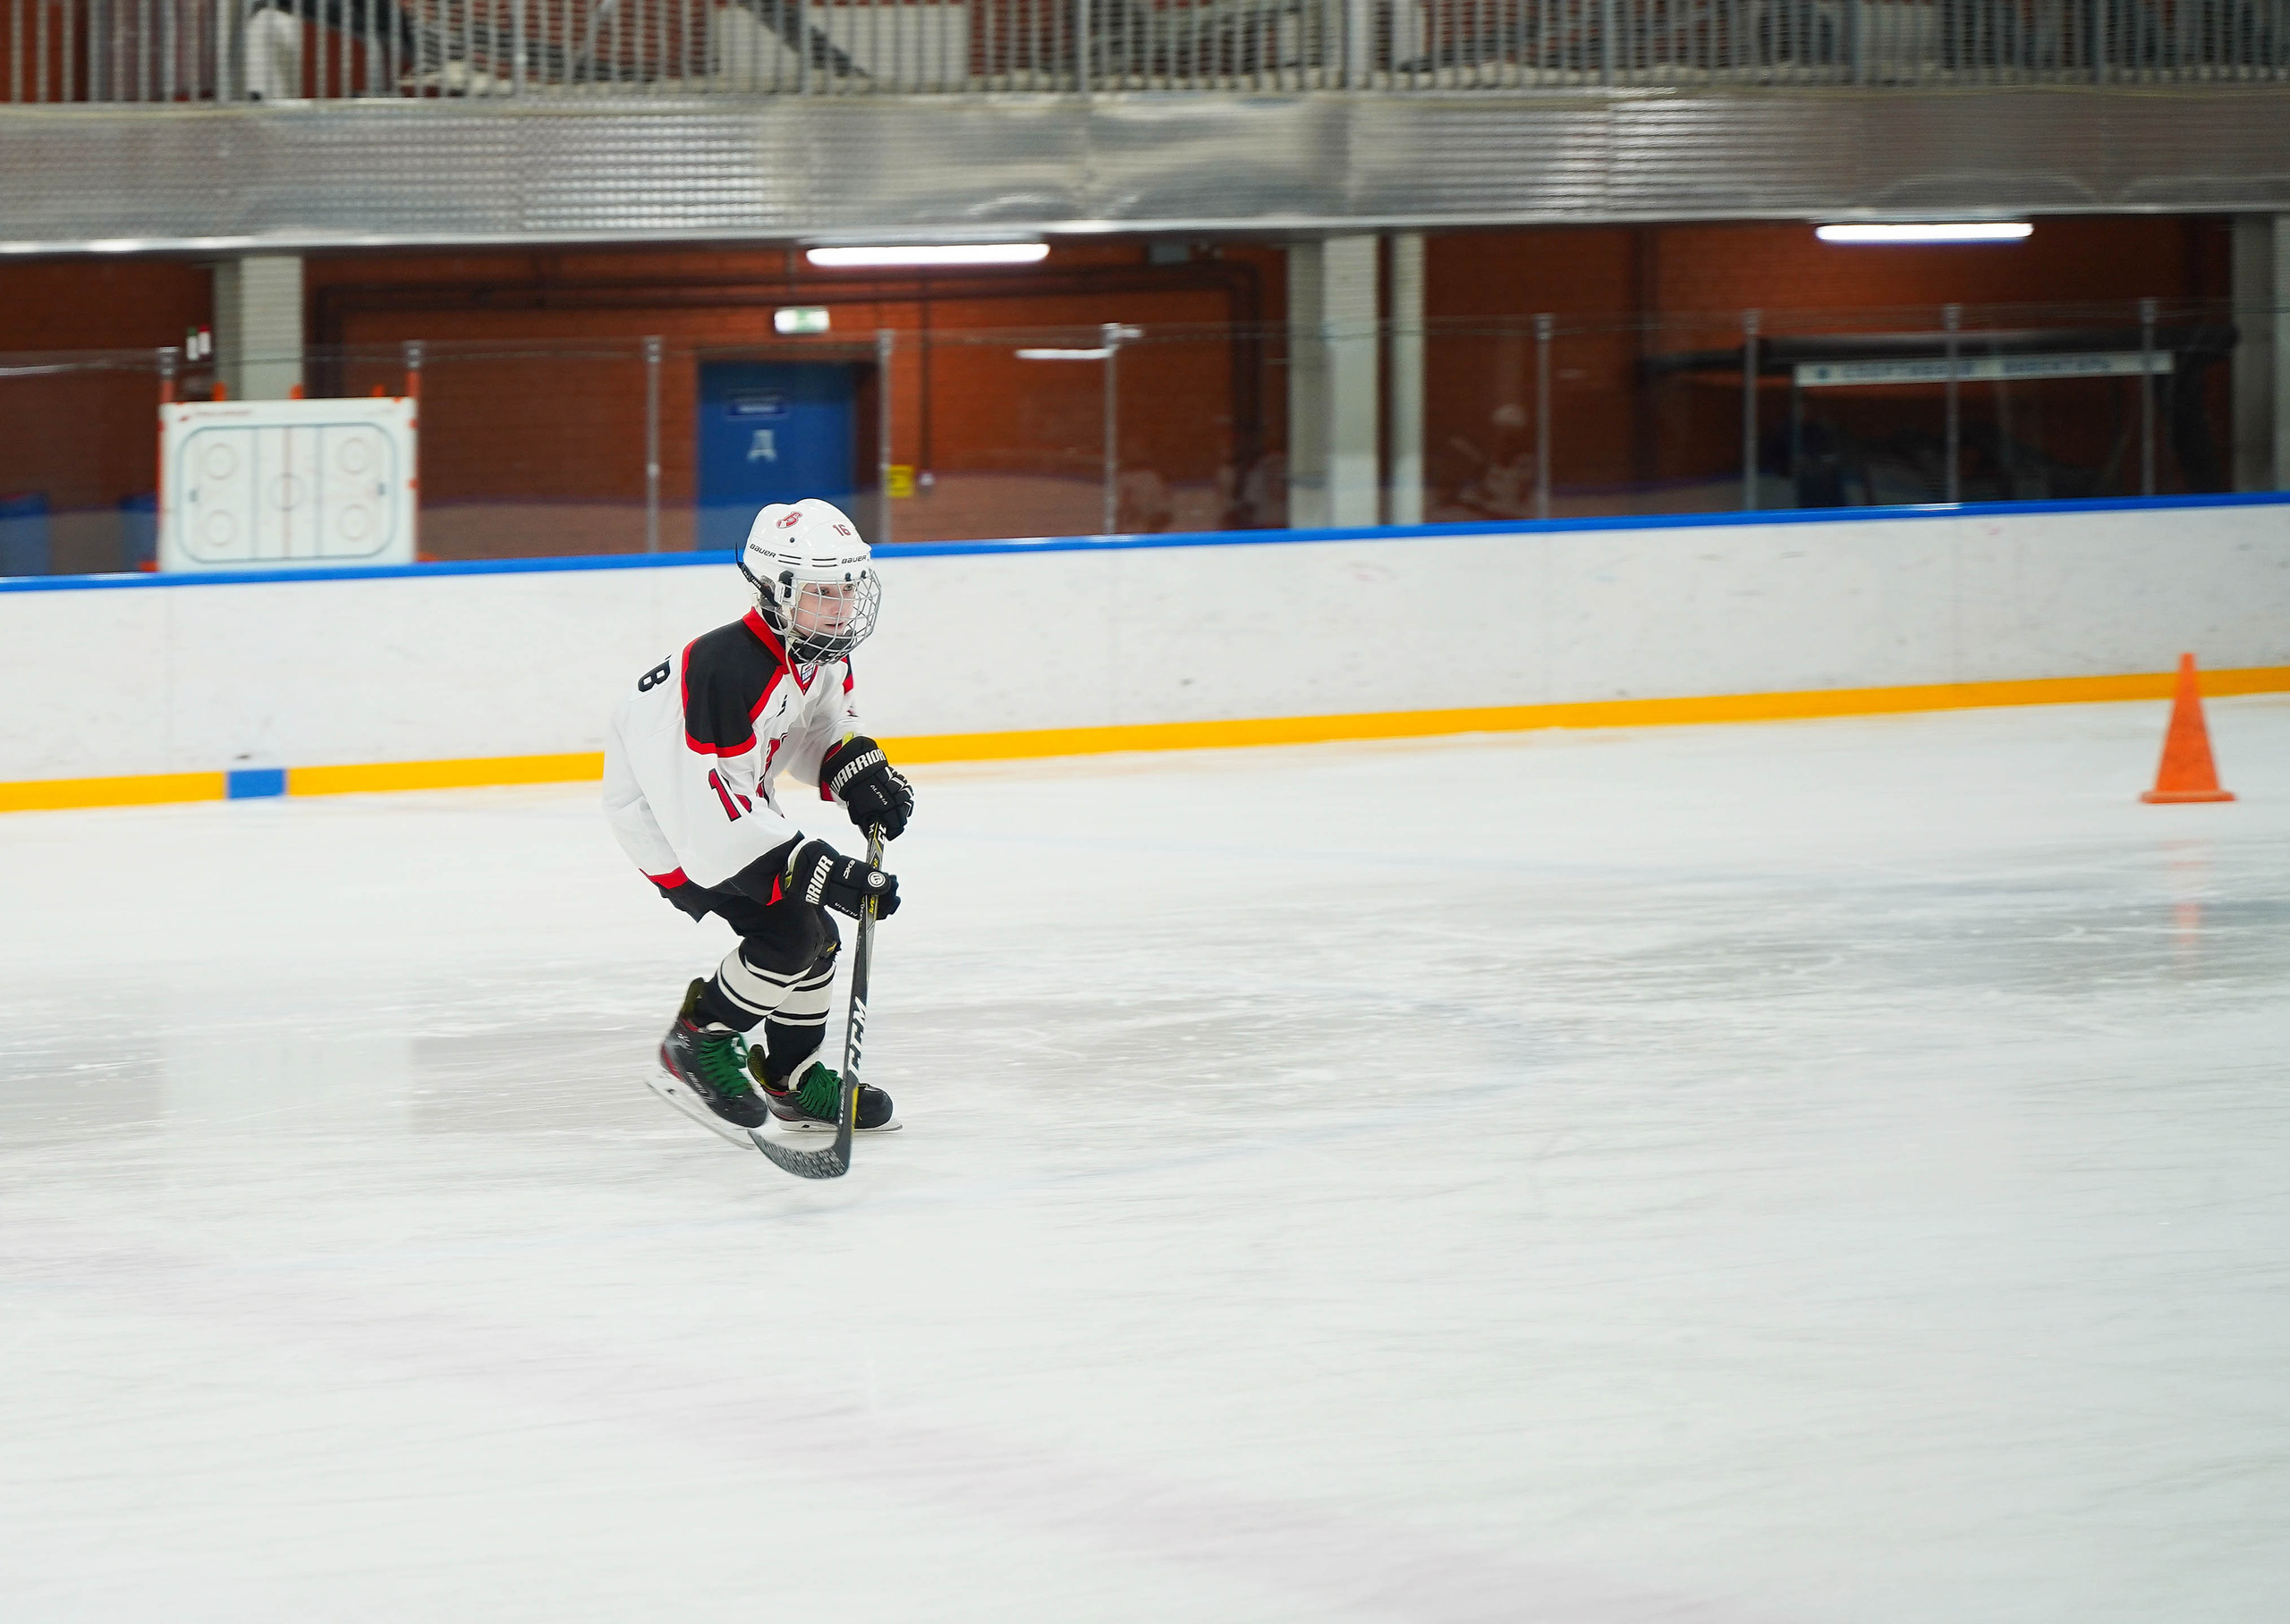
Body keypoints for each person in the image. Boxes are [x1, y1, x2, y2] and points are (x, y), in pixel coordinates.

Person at [602, 498, 915, 1144]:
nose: (842, 605)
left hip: (732, 808)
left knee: (816, 937)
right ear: (777, 591)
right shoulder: (722, 670)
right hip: (671, 823)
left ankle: (793, 1081)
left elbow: (823, 726)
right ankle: (698, 1040)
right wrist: (822, 871)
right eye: (823, 591)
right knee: (793, 935)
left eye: (849, 587)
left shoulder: (816, 647)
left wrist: (857, 770)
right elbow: (707, 826)